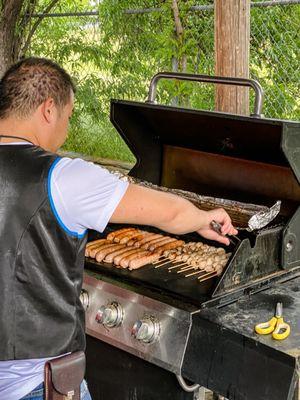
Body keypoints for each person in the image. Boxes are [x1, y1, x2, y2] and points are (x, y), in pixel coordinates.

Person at [0, 57, 237, 400]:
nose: (65, 131)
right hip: (34, 383)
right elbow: (167, 213)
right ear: (48, 109)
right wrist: (204, 218)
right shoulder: (62, 176)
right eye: (67, 118)